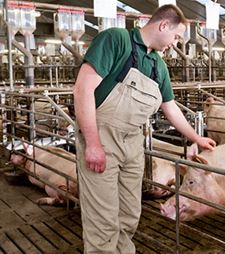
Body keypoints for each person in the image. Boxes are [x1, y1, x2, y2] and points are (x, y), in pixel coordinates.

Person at [73, 5, 216, 253]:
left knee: (129, 212)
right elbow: (83, 90)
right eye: (176, 36)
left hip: (133, 140)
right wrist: (93, 144)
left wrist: (196, 138)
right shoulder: (116, 40)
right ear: (163, 26)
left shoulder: (157, 65)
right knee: (103, 217)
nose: (175, 43)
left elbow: (170, 108)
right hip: (102, 135)